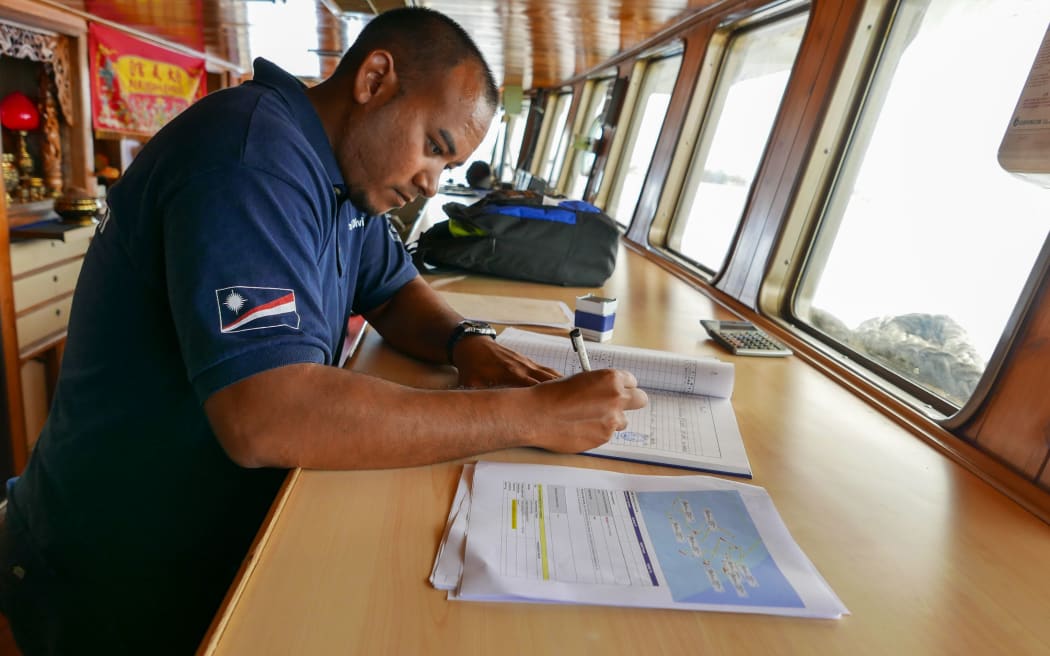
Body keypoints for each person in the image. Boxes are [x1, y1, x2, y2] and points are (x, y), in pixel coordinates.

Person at [0, 7, 647, 655]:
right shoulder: (248, 162)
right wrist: (526, 415)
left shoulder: (345, 173)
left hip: (204, 528)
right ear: (374, 80)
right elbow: (270, 415)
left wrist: (466, 344)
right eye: (435, 146)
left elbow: (394, 292)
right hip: (113, 570)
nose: (432, 181)